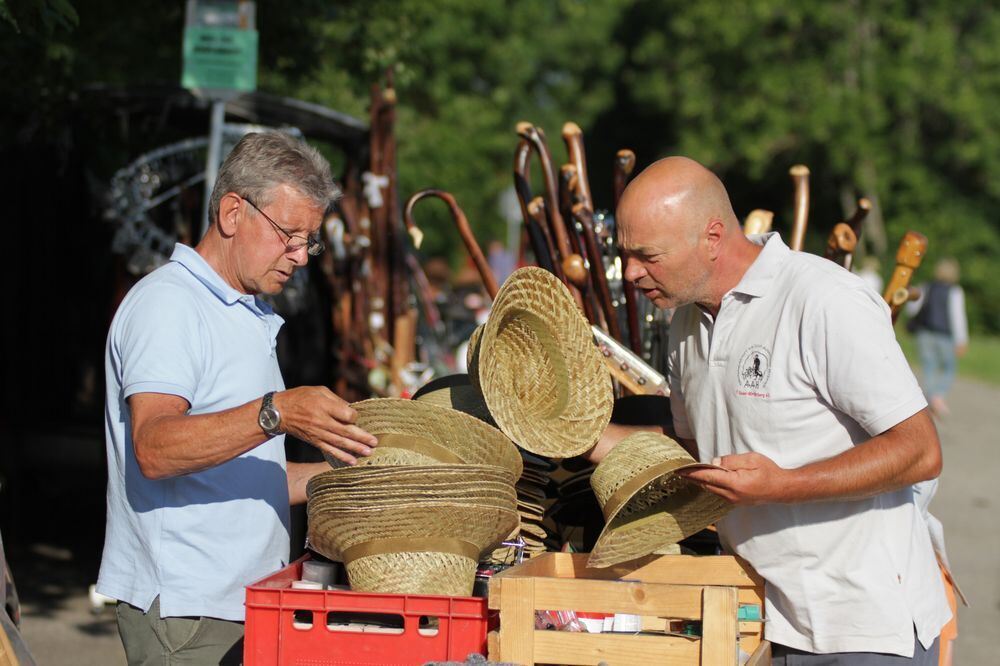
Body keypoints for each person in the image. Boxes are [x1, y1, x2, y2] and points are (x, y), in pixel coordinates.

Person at [591, 157, 950, 664]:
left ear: (712, 237)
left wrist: (782, 485)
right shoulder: (685, 324)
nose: (630, 272)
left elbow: (920, 451)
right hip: (765, 621)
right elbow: (695, 456)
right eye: (625, 255)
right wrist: (586, 438)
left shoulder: (822, 300)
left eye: (647, 255)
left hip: (867, 628)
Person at [97, 132, 378, 665]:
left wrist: (351, 472)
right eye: (289, 235)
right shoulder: (170, 305)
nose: (300, 256)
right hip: (188, 610)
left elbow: (248, 474)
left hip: (235, 604)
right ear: (232, 212)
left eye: (309, 241)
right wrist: (277, 412)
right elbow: (154, 447)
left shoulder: (239, 311)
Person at [906, 258, 968, 417]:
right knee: (949, 367)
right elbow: (957, 317)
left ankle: (931, 398)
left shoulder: (926, 286)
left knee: (929, 367)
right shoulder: (955, 291)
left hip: (924, 332)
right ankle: (938, 396)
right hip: (944, 335)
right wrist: (961, 340)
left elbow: (912, 309)